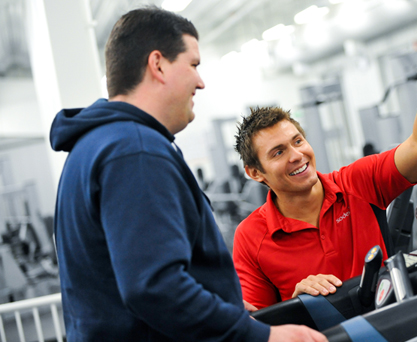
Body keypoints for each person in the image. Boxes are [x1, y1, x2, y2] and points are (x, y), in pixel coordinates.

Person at [50, 6, 326, 342]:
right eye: (193, 65)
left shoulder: (95, 145)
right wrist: (257, 336)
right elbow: (154, 287)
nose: (201, 81)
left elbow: (132, 275)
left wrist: (221, 309)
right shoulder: (135, 150)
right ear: (158, 65)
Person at [232, 55, 417, 309]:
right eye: (278, 152)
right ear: (254, 172)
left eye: (297, 141)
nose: (297, 156)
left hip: (388, 325)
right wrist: (296, 305)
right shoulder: (250, 237)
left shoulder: (357, 182)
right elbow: (259, 327)